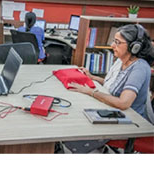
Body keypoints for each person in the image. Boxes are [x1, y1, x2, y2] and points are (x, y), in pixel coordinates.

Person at [65, 24, 154, 152]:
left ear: (134, 47)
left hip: (129, 121)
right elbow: (113, 86)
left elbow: (123, 103)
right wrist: (92, 77)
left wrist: (91, 92)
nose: (112, 45)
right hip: (114, 111)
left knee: (77, 130)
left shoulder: (139, 68)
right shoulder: (122, 61)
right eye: (114, 41)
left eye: (117, 42)